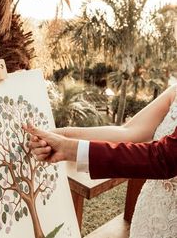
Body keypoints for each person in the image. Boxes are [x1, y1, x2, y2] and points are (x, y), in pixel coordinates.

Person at [24, 83, 177, 238]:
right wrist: (62, 135)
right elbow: (129, 131)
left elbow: (164, 158)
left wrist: (69, 148)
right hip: (148, 215)